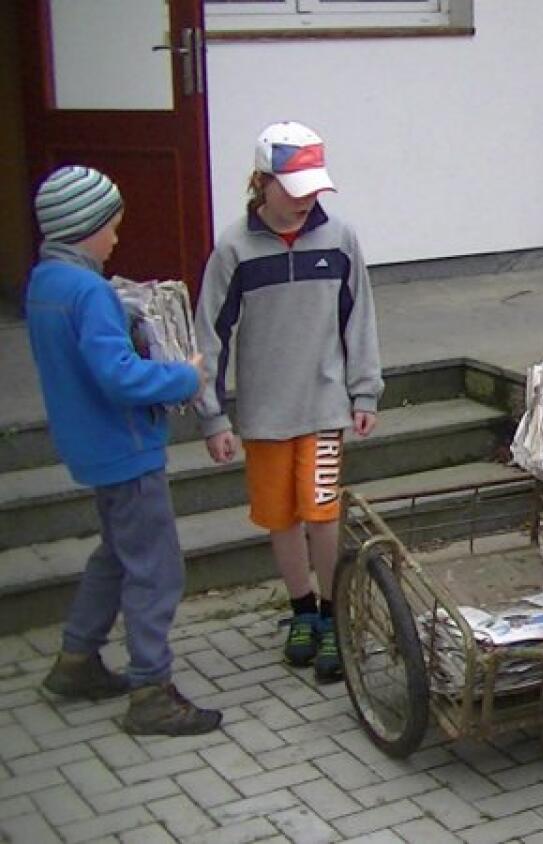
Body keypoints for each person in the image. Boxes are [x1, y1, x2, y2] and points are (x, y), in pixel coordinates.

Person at [27, 165, 221, 735]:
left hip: (90, 445)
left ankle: (77, 659)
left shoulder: (45, 282)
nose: (116, 238)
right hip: (126, 448)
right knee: (156, 568)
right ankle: (151, 691)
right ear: (85, 227)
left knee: (116, 553)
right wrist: (184, 378)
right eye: (112, 227)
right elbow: (118, 376)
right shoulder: (88, 292)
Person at [195, 121, 383, 683]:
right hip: (264, 415)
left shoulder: (340, 239)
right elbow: (210, 334)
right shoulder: (233, 248)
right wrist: (213, 415)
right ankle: (302, 610)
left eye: (314, 188)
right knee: (280, 517)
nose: (306, 199)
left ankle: (333, 613)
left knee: (322, 514)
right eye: (294, 188)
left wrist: (365, 389)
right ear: (262, 182)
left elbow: (359, 318)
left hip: (325, 407)